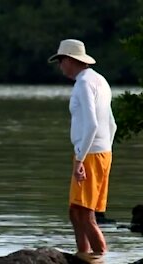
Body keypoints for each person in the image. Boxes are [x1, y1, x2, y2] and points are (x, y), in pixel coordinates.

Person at [48, 39, 117, 263]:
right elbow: (112, 125)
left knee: (86, 215)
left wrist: (80, 160)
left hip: (88, 154)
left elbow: (93, 124)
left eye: (60, 61)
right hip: (100, 152)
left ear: (69, 60)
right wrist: (104, 149)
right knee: (76, 211)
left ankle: (98, 258)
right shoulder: (100, 80)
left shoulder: (83, 84)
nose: (60, 66)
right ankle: (83, 257)